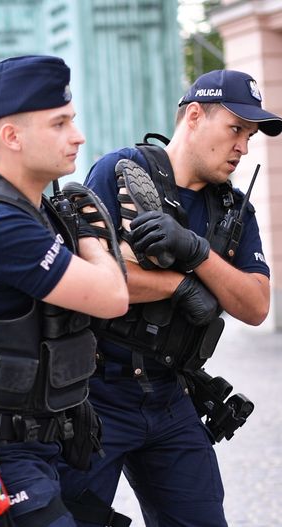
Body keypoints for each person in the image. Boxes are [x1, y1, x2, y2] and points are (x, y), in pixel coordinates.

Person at [58, 70, 278, 527]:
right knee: (73, 519)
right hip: (97, 392)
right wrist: (183, 286)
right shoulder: (119, 171)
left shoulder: (234, 210)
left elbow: (256, 305)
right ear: (194, 116)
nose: (243, 147)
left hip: (171, 393)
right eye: (235, 129)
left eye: (250, 136)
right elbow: (92, 280)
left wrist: (197, 252)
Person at [0, 55, 129, 526]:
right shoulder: (1, 227)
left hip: (41, 439)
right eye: (60, 124)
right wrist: (91, 235)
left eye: (72, 120)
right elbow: (113, 297)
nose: (77, 136)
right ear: (12, 137)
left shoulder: (34, 212)